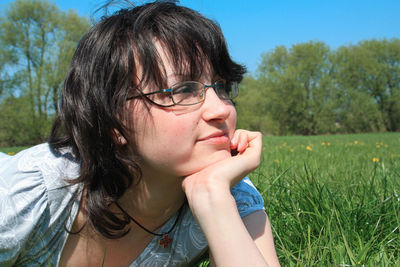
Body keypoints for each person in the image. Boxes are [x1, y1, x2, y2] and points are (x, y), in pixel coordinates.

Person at [0, 1, 280, 266]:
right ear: (113, 121)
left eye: (221, 87)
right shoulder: (30, 195)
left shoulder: (230, 191)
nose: (221, 109)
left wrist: (212, 198)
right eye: (182, 90)